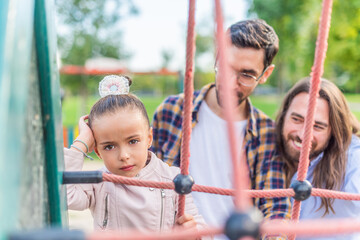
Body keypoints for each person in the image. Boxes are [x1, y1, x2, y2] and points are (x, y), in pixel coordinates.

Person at [151, 19, 291, 236]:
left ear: (265, 74)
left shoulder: (268, 133)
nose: (230, 82)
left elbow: (277, 207)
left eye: (246, 74)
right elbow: (146, 183)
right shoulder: (172, 112)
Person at [65, 75, 208, 236]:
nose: (124, 155)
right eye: (109, 146)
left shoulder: (173, 179)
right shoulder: (99, 182)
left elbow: (203, 230)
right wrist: (81, 142)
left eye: (133, 141)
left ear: (149, 138)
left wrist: (193, 233)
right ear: (97, 151)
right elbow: (65, 195)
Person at [275, 77, 360, 240]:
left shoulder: (353, 158)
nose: (302, 135)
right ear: (284, 115)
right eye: (296, 119)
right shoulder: (269, 147)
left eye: (318, 126)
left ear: (334, 131)